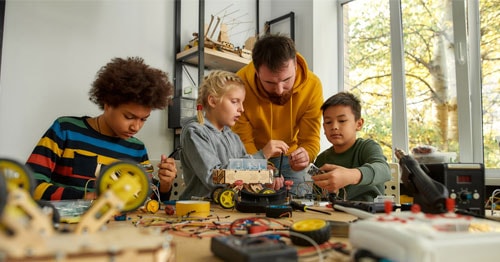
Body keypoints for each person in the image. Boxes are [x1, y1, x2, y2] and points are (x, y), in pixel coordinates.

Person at [26, 57, 177, 201]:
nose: (136, 127)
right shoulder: (66, 130)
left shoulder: (137, 149)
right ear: (108, 104)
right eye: (129, 117)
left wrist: (165, 185)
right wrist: (87, 198)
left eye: (143, 119)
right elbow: (29, 185)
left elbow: (145, 200)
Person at [232, 34, 323, 197]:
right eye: (270, 83)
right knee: (251, 202)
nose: (280, 90)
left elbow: (310, 140)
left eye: (286, 80)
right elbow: (243, 141)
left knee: (300, 201)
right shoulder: (239, 85)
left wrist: (306, 155)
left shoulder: (313, 85)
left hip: (291, 158)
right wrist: (261, 166)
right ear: (257, 71)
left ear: (295, 64)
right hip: (253, 157)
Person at [179, 70, 288, 200]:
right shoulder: (195, 133)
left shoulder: (233, 137)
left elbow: (240, 176)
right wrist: (261, 156)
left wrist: (266, 178)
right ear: (212, 101)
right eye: (235, 101)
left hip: (229, 208)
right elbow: (214, 177)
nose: (241, 109)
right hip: (201, 209)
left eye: (242, 102)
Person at [311, 92, 391, 202]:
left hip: (367, 214)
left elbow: (384, 170)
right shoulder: (321, 159)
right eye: (328, 122)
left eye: (342, 121)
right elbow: (317, 197)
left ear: (358, 124)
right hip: (334, 215)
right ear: (323, 127)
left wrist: (350, 176)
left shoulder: (367, 147)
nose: (334, 127)